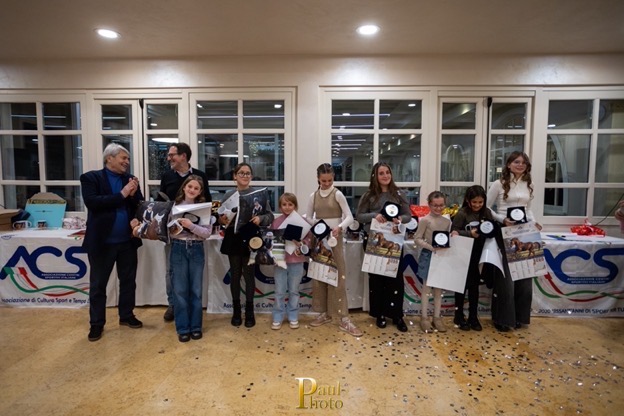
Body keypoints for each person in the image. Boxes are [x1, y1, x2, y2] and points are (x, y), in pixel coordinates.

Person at [80, 143, 144, 342]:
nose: (127, 162)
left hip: (127, 242)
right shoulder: (90, 178)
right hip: (102, 243)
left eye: (128, 159)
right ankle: (96, 324)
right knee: (98, 285)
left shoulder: (130, 180)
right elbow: (93, 203)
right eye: (123, 158)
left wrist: (136, 213)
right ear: (109, 158)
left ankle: (126, 315)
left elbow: (139, 206)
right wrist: (123, 194)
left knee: (128, 282)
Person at [306, 163, 363, 337]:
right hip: (319, 240)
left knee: (339, 277)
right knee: (320, 276)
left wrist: (339, 227)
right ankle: (324, 313)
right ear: (318, 179)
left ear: (333, 178)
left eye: (329, 180)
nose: (326, 183)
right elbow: (308, 217)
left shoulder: (337, 194)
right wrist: (318, 225)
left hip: (335, 239)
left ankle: (344, 317)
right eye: (323, 181)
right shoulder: (313, 196)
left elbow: (349, 217)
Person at [486, 151, 541, 332]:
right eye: (516, 162)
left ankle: (519, 317)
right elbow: (487, 208)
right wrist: (502, 219)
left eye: (524, 162)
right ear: (509, 164)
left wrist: (534, 223)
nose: (520, 165)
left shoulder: (529, 184)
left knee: (525, 277)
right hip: (505, 230)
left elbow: (528, 209)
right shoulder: (498, 184)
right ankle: (502, 319)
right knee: (507, 279)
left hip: (525, 232)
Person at [157, 142, 212, 323]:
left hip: (195, 236)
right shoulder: (166, 176)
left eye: (172, 155)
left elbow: (207, 203)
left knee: (193, 279)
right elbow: (161, 202)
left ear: (183, 156)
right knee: (170, 272)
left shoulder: (200, 176)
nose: (169, 158)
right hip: (173, 236)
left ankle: (190, 310)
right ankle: (173, 304)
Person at [356, 162, 411, 332]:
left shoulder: (399, 194)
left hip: (394, 240)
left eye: (387, 172)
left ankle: (396, 315)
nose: (385, 175)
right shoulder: (369, 195)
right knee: (377, 279)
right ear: (375, 176)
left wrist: (400, 219)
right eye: (381, 173)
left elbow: (408, 215)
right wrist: (375, 216)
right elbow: (359, 216)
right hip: (374, 241)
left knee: (396, 279)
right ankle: (379, 313)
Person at [219, 163, 273, 328]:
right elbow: (221, 217)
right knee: (235, 275)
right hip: (233, 238)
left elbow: (269, 216)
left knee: (249, 275)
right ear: (235, 176)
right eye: (241, 173)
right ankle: (236, 311)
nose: (245, 176)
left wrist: (260, 219)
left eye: (248, 173)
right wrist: (222, 220)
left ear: (251, 176)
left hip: (251, 238)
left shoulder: (259, 194)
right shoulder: (229, 195)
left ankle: (250, 311)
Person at [165, 175, 212, 343]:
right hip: (178, 247)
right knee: (179, 290)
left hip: (197, 248)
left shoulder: (204, 208)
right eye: (190, 186)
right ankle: (183, 328)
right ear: (184, 187)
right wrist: (175, 227)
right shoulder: (173, 207)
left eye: (196, 188)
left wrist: (191, 226)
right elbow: (167, 231)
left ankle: (196, 326)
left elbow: (206, 233)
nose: (192, 190)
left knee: (196, 290)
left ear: (200, 192)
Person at [451, 185, 496, 331]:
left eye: (480, 202)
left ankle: (473, 316)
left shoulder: (487, 212)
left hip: (479, 254)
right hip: (463, 253)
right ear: (468, 200)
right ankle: (458, 315)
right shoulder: (462, 213)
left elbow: (492, 229)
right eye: (474, 202)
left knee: (474, 286)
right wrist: (469, 234)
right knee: (461, 286)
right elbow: (454, 231)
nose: (477, 205)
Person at [413, 191, 452, 333]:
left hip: (441, 256)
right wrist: (430, 247)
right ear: (429, 204)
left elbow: (447, 238)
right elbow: (417, 238)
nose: (438, 208)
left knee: (438, 289)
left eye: (441, 205)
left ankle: (437, 317)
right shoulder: (425, 220)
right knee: (426, 288)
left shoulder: (447, 222)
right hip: (428, 255)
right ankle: (424, 318)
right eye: (435, 205)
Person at [270, 192, 309, 330]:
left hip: (297, 260)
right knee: (279, 290)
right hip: (280, 260)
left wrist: (301, 243)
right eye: (284, 204)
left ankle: (293, 315)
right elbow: (271, 240)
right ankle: (277, 316)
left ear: (295, 206)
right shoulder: (276, 222)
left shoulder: (302, 222)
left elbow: (308, 240)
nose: (287, 207)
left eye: (290, 204)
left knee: (294, 290)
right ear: (280, 207)